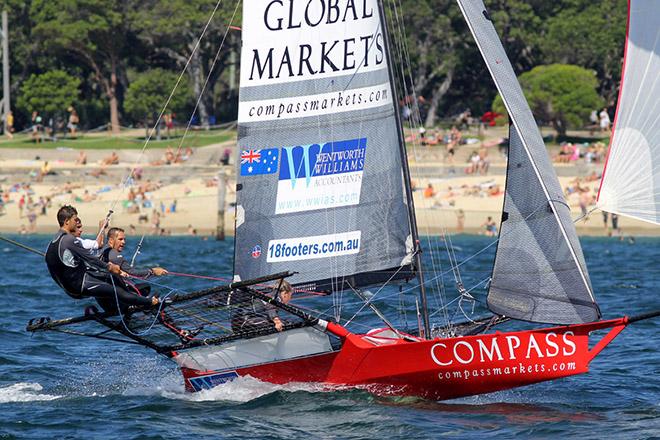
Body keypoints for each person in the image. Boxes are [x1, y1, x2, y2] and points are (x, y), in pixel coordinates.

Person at [45, 205, 158, 312]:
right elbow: (91, 259)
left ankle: (121, 305)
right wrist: (109, 266)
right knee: (116, 290)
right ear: (67, 221)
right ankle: (149, 302)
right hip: (79, 285)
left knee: (108, 279)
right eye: (75, 220)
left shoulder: (53, 242)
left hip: (69, 288)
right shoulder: (69, 240)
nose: (77, 222)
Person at [100, 227, 168, 279]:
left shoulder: (102, 249)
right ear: (111, 240)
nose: (123, 242)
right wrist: (153, 271)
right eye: (120, 239)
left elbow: (100, 243)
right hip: (114, 289)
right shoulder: (115, 256)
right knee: (145, 288)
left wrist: (102, 228)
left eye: (124, 239)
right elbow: (132, 273)